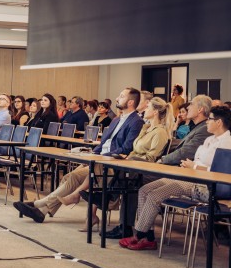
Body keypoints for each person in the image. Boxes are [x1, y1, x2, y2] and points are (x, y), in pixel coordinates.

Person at [13, 87, 144, 223]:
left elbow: (126, 148)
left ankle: (39, 204)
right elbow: (103, 143)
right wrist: (93, 154)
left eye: (122, 96)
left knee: (73, 177)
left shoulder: (136, 121)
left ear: (130, 102)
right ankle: (42, 211)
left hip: (112, 164)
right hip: (99, 159)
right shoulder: (116, 120)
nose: (117, 98)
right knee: (70, 177)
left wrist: (101, 157)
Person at [119, 105, 231, 250]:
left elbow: (222, 172)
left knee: (155, 195)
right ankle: (148, 236)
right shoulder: (210, 139)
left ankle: (139, 235)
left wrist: (195, 167)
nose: (207, 122)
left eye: (209, 119)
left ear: (219, 122)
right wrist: (191, 166)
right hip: (190, 177)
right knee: (145, 190)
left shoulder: (227, 143)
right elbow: (198, 160)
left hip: (205, 186)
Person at [59, 97, 174, 231]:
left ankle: (99, 197)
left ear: (155, 112)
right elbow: (134, 149)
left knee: (102, 166)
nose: (145, 109)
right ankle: (99, 197)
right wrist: (126, 158)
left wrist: (130, 159)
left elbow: (151, 157)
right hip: (131, 163)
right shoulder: (146, 128)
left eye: (148, 107)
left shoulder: (160, 132)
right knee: (100, 163)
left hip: (143, 168)